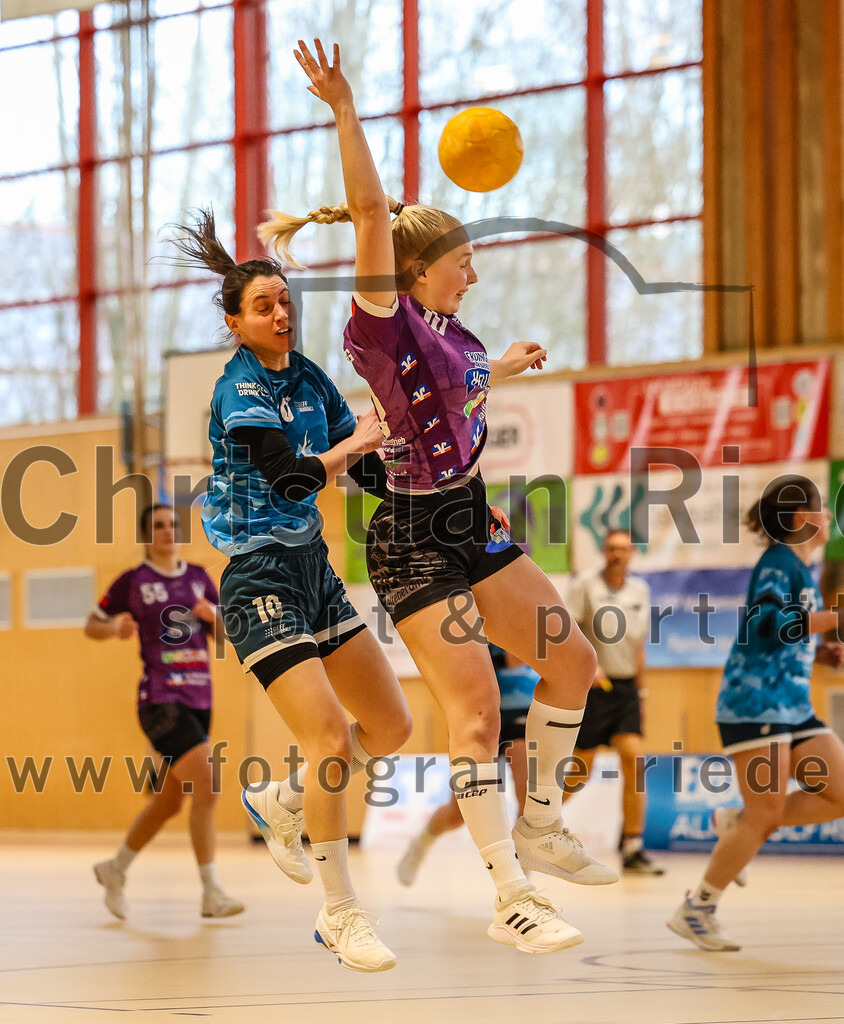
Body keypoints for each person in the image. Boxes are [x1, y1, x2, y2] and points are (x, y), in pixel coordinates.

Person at [258, 38, 616, 956]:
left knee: (573, 664)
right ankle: (511, 895)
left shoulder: (455, 333)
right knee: (475, 716)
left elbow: (460, 386)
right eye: (461, 260)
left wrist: (511, 363)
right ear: (413, 272)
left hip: (473, 516)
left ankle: (539, 820)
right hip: (413, 537)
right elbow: (374, 210)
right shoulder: (381, 323)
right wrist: (343, 109)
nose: (475, 272)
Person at [166, 210, 412, 973]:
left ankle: (283, 799)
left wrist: (435, 494)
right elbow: (295, 476)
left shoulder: (308, 379)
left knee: (393, 727)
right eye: (264, 306)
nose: (281, 313)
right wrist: (354, 445)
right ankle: (341, 913)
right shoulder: (238, 389)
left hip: (313, 571)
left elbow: (364, 471)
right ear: (237, 324)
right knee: (333, 738)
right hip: (258, 576)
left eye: (286, 301)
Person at [667, 475, 844, 951]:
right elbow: (766, 625)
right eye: (821, 508)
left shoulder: (804, 569)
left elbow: (785, 634)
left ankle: (736, 820)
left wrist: (818, 653)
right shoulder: (779, 562)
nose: (827, 517)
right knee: (767, 813)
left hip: (792, 706)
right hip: (754, 705)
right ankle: (697, 908)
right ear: (802, 517)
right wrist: (835, 619)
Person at [86, 503, 244, 921]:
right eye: (158, 525)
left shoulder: (197, 578)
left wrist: (216, 617)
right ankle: (211, 892)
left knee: (170, 802)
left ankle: (115, 869)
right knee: (208, 786)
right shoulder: (133, 581)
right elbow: (92, 624)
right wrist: (113, 628)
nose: (167, 530)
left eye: (173, 524)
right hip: (159, 699)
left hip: (201, 698)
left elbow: (227, 638)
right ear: (146, 534)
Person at [396, 645, 537, 885]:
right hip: (478, 713)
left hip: (524, 710)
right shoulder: (471, 620)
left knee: (529, 802)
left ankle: (519, 881)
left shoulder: (540, 615)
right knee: (458, 813)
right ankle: (421, 843)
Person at [566, 528, 663, 876]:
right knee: (579, 772)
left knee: (635, 762)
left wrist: (642, 692)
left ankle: (633, 847)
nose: (616, 554)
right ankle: (538, 824)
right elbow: (569, 631)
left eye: (623, 549)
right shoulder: (585, 585)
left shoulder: (640, 590)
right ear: (604, 551)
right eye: (611, 548)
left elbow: (639, 647)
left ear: (632, 553)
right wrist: (587, 668)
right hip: (593, 689)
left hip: (625, 690)